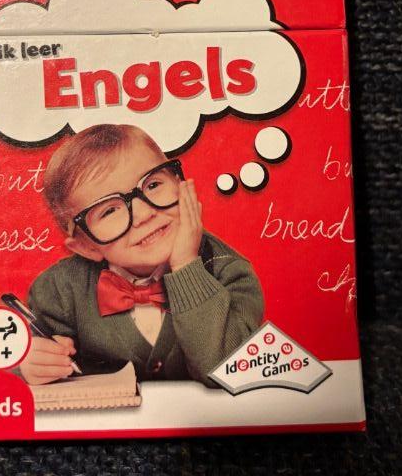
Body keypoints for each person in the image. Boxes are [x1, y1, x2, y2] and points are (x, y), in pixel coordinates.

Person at [19, 123, 264, 387]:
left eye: (153, 184)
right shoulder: (59, 290)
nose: (144, 214)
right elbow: (18, 361)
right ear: (86, 247)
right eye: (109, 211)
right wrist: (30, 364)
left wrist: (186, 266)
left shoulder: (228, 270)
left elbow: (229, 373)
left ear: (180, 183)